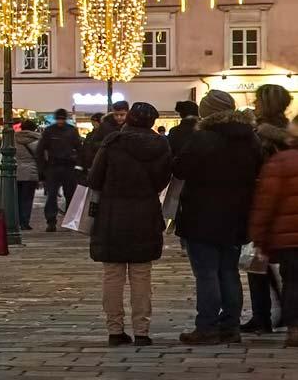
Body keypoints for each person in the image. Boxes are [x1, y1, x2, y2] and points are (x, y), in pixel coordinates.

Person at [172, 89, 265, 346]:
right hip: (237, 215)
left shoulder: (202, 138)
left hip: (201, 214)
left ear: (208, 112)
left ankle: (207, 327)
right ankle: (230, 326)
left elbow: (180, 169)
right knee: (229, 271)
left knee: (207, 273)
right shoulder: (250, 138)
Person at [88, 100, 170, 346]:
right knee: (141, 275)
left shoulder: (113, 141)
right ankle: (142, 331)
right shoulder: (160, 145)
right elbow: (162, 181)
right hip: (145, 214)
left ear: (130, 118)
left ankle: (115, 330)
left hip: (111, 215)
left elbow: (95, 178)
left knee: (112, 274)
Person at [247, 88, 298, 350]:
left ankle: (265, 316)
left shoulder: (263, 135)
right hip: (285, 214)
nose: (254, 104)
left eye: (258, 100)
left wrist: (258, 229)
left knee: (264, 268)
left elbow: (265, 183)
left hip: (278, 214)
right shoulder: (284, 131)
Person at [38, 108, 85, 231]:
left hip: (64, 166)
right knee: (53, 195)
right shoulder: (68, 131)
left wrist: (78, 165)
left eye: (62, 119)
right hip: (56, 166)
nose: (60, 121)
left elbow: (80, 149)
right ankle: (53, 221)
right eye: (59, 119)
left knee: (66, 194)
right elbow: (40, 150)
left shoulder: (54, 131)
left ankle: (64, 220)